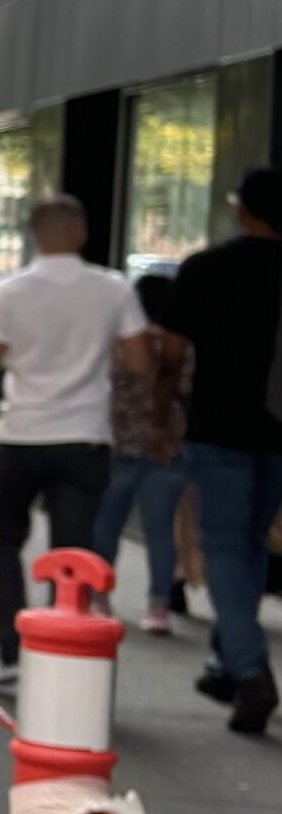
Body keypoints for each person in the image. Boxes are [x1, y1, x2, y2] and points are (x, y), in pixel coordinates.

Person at [0, 195, 152, 695]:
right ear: (81, 232)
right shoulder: (112, 289)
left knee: (3, 541)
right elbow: (140, 363)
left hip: (21, 435)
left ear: (34, 235)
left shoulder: (10, 292)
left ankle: (11, 654)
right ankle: (63, 654)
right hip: (84, 437)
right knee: (72, 553)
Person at [162, 166, 282, 735]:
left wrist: (165, 411)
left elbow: (173, 351)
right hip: (278, 434)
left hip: (219, 429)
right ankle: (225, 664)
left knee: (226, 548)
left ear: (243, 211)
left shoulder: (207, 269)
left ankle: (252, 671)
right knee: (251, 545)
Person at [93, 271, 188, 638]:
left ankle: (100, 597)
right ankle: (158, 606)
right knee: (161, 531)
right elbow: (187, 387)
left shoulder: (120, 342)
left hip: (120, 443)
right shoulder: (181, 345)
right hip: (167, 447)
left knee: (107, 525)